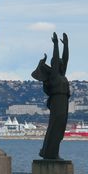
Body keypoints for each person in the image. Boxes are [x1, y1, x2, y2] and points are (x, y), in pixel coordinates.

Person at [31, 32, 70, 160]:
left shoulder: (62, 75)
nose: (62, 64)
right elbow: (57, 57)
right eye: (59, 63)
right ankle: (49, 153)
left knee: (60, 128)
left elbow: (65, 59)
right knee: (55, 126)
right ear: (55, 65)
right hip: (57, 100)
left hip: (64, 101)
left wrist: (66, 45)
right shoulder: (54, 76)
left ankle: (52, 152)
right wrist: (56, 44)